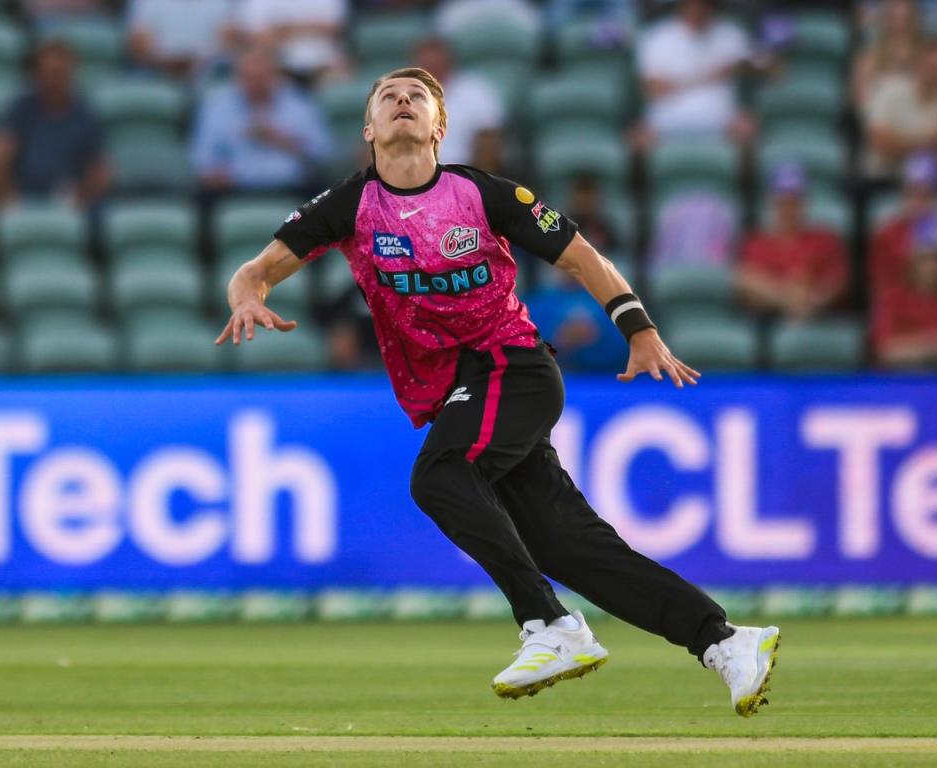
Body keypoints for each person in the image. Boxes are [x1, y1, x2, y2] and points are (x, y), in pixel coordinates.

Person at [215, 67, 781, 716]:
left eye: (418, 98)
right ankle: (727, 642)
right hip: (463, 390)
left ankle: (551, 626)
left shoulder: (481, 194)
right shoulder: (347, 207)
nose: (404, 102)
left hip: (512, 367)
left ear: (440, 127)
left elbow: (580, 257)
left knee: (439, 476)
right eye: (389, 98)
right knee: (571, 547)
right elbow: (255, 271)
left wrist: (639, 328)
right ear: (368, 129)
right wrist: (245, 298)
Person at [190, 45, 333, 194]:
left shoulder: (299, 105)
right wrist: (215, 173)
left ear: (275, 76)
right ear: (238, 77)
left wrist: (283, 139)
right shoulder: (218, 108)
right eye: (249, 77)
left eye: (262, 77)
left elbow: (323, 152)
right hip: (234, 188)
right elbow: (203, 156)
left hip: (292, 186)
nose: (256, 84)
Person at [0, 39, 109, 210]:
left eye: (60, 73)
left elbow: (101, 168)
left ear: (71, 73)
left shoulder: (85, 114)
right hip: (24, 196)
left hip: (70, 199)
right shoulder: (21, 109)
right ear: (37, 74)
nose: (54, 80)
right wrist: (8, 198)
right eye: (50, 72)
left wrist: (82, 196)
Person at [737, 161, 849, 322]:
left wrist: (812, 298)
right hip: (769, 320)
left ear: (805, 201)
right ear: (772, 201)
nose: (789, 207)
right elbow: (745, 285)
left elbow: (838, 282)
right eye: (783, 200)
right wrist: (787, 297)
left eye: (795, 200)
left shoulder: (825, 239)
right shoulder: (756, 243)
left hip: (818, 318)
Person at [635, 0, 753, 146]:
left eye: (702, 4)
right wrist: (713, 74)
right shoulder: (656, 36)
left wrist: (739, 67)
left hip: (721, 118)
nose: (697, 9)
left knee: (748, 128)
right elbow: (655, 89)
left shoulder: (731, 34)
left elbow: (772, 68)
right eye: (691, 4)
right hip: (665, 121)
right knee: (637, 137)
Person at [412, 36, 505, 169]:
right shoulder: (401, 95)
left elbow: (489, 144)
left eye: (436, 61)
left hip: (463, 175)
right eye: (427, 63)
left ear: (449, 60)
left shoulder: (476, 90)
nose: (432, 66)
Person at [863, 37, 937, 180]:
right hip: (884, 176)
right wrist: (928, 143)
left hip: (931, 182)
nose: (934, 74)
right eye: (930, 66)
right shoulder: (889, 89)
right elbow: (879, 142)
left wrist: (899, 141)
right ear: (919, 64)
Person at [871, 210, 937, 366]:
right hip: (901, 383)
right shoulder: (892, 299)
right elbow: (884, 350)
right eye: (925, 258)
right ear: (912, 261)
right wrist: (930, 345)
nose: (931, 266)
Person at [871, 151, 937, 290]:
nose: (918, 203)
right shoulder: (887, 234)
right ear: (902, 195)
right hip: (900, 307)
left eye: (925, 196)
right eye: (912, 194)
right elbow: (881, 286)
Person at [126, 0, 237, 82]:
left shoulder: (221, 3)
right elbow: (138, 43)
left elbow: (227, 42)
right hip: (156, 71)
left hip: (206, 71)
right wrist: (165, 63)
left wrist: (197, 63)